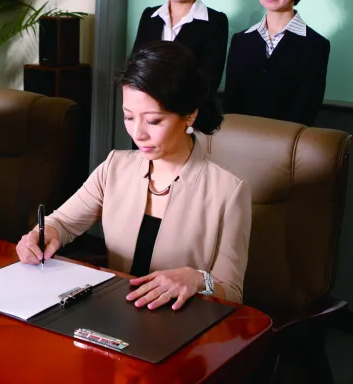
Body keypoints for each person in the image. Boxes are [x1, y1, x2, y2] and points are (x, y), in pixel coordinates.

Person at [16, 41, 251, 308]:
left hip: (181, 320)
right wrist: (42, 234)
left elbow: (232, 291)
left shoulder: (228, 191)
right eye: (129, 117)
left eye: (153, 121)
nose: (138, 133)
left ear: (189, 115)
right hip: (116, 311)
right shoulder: (115, 167)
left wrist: (198, 279)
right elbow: (63, 223)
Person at [223, 0, 330, 125]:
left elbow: (306, 108)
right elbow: (231, 103)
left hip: (287, 138)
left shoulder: (315, 45)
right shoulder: (241, 40)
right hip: (240, 136)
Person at [132, 0, 229, 97]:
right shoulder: (149, 16)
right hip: (146, 106)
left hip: (191, 108)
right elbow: (136, 66)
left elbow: (209, 79)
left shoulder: (215, 21)